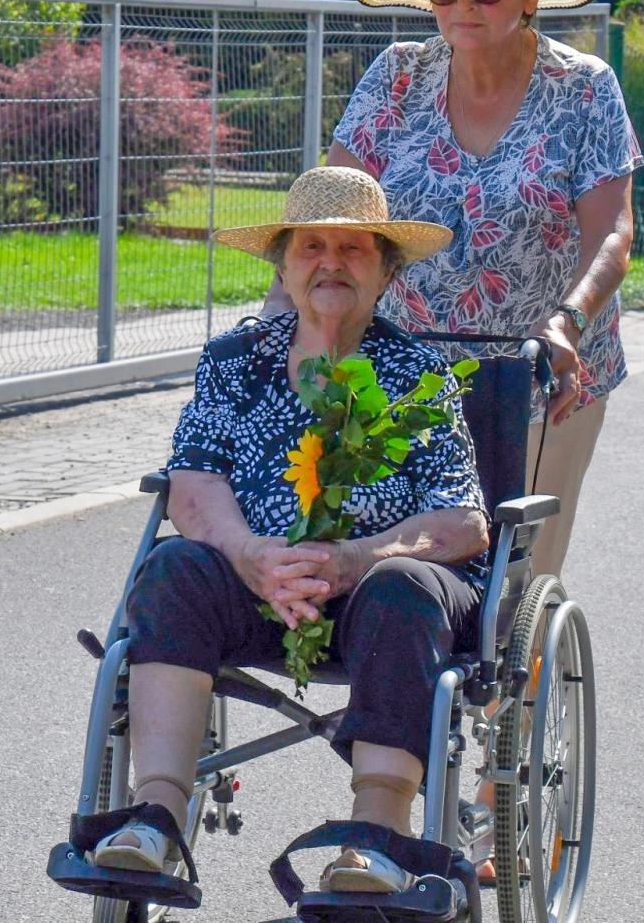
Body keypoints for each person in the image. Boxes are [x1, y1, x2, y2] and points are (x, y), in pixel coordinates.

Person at [91, 166, 489, 895]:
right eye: (311, 247)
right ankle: (156, 817)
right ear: (283, 263)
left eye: (354, 248)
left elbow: (461, 518)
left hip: (380, 598)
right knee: (174, 568)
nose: (331, 263)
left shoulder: (421, 373)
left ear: (387, 268)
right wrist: (251, 555)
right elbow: (194, 483)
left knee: (406, 587)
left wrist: (355, 559)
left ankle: (376, 840)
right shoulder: (235, 362)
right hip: (256, 588)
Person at [323, 0, 644, 577]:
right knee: (408, 566)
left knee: (516, 578)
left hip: (541, 372)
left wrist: (569, 321)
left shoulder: (583, 87)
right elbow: (333, 215)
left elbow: (613, 231)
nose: (466, 5)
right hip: (409, 367)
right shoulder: (396, 78)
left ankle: (515, 684)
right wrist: (284, 318)